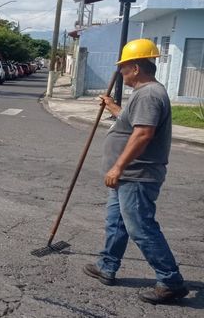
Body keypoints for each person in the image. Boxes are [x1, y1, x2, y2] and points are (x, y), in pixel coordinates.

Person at [83, 38, 188, 305]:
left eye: (124, 67)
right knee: (115, 222)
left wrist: (118, 166)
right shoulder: (143, 94)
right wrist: (113, 107)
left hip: (137, 175)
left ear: (137, 68)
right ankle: (107, 265)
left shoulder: (149, 94)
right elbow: (133, 123)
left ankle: (170, 281)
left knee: (141, 227)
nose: (121, 72)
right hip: (129, 175)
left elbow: (143, 134)